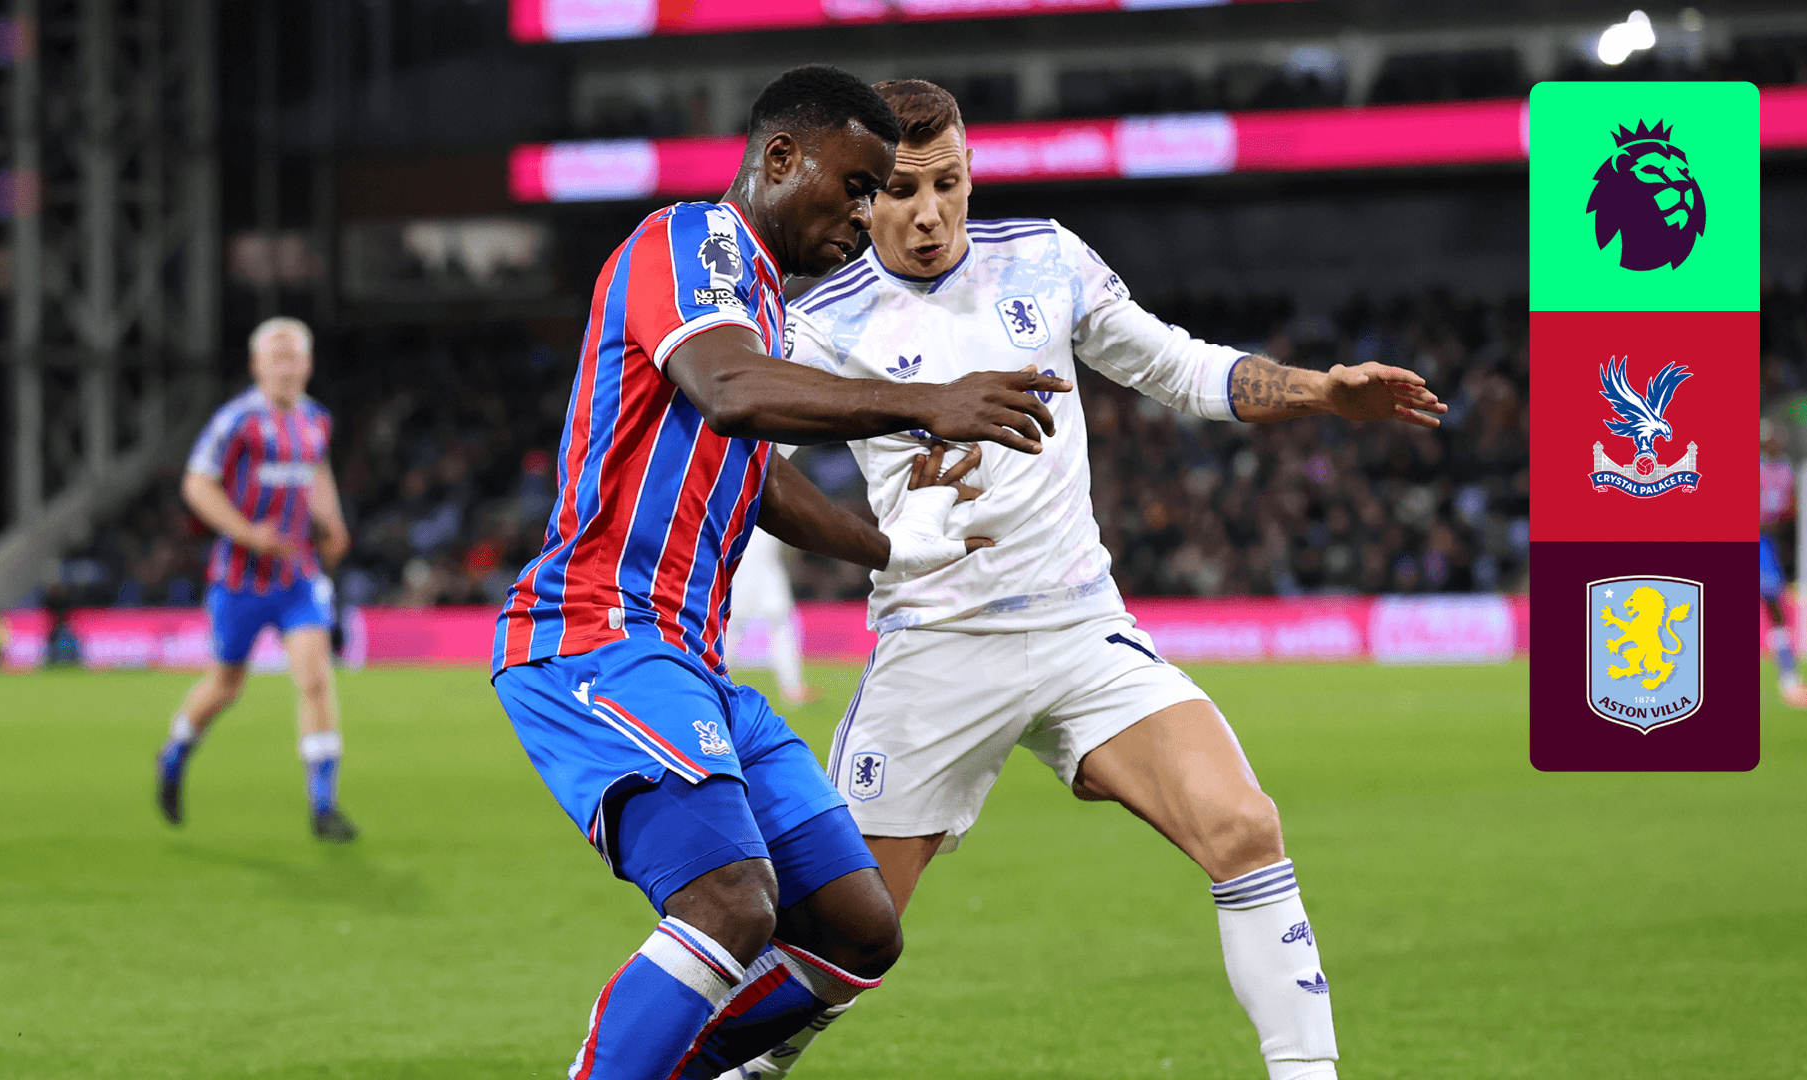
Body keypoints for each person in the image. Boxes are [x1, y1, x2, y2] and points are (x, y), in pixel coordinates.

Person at [729, 79, 1447, 1080]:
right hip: (938, 644)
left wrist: (1320, 390)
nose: (930, 212)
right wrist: (878, 547)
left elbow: (1178, 369)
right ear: (865, 194)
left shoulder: (1047, 258)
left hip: (1080, 630)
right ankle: (728, 1066)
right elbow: (747, 463)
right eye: (901, 190)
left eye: (948, 183)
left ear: (972, 175)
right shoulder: (820, 322)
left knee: (1244, 826)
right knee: (849, 928)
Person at [489, 65, 1070, 1079]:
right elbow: (728, 391)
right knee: (730, 903)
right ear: (781, 157)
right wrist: (928, 400)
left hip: (692, 661)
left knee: (859, 926)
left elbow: (756, 474)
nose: (865, 216)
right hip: (596, 632)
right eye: (856, 187)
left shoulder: (758, 303)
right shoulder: (690, 241)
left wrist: (895, 549)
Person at [155, 316, 357, 841]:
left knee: (315, 680)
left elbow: (317, 472)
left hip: (297, 576)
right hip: (239, 580)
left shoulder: (315, 420)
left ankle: (323, 806)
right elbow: (197, 484)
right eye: (276, 358)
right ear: (256, 365)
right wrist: (247, 533)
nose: (285, 368)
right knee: (226, 686)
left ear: (308, 365)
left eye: (294, 357)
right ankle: (175, 752)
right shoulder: (237, 421)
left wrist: (333, 522)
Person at [1760, 419, 1807, 708]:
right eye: (1772, 438)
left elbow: (1786, 508)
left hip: (1766, 545)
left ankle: (1790, 682)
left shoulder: (1785, 469)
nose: (1778, 442)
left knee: (1776, 610)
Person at [725, 517, 813, 705]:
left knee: (777, 625)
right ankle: (793, 690)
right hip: (746, 568)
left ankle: (793, 689)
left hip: (760, 568)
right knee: (732, 630)